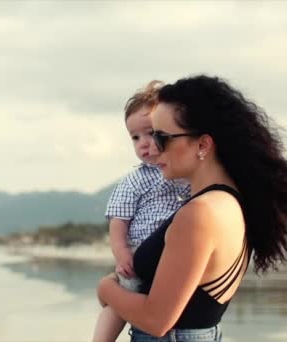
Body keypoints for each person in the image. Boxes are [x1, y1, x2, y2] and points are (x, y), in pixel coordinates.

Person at [97, 74, 287, 341]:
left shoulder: (200, 214)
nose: (153, 149)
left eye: (161, 137)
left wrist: (106, 289)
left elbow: (156, 320)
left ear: (202, 144)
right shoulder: (230, 202)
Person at [92, 81, 191, 342]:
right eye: (135, 138)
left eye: (150, 133)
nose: (143, 144)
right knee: (121, 300)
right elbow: (118, 220)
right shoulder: (136, 180)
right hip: (138, 251)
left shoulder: (185, 174)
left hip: (173, 252)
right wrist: (121, 252)